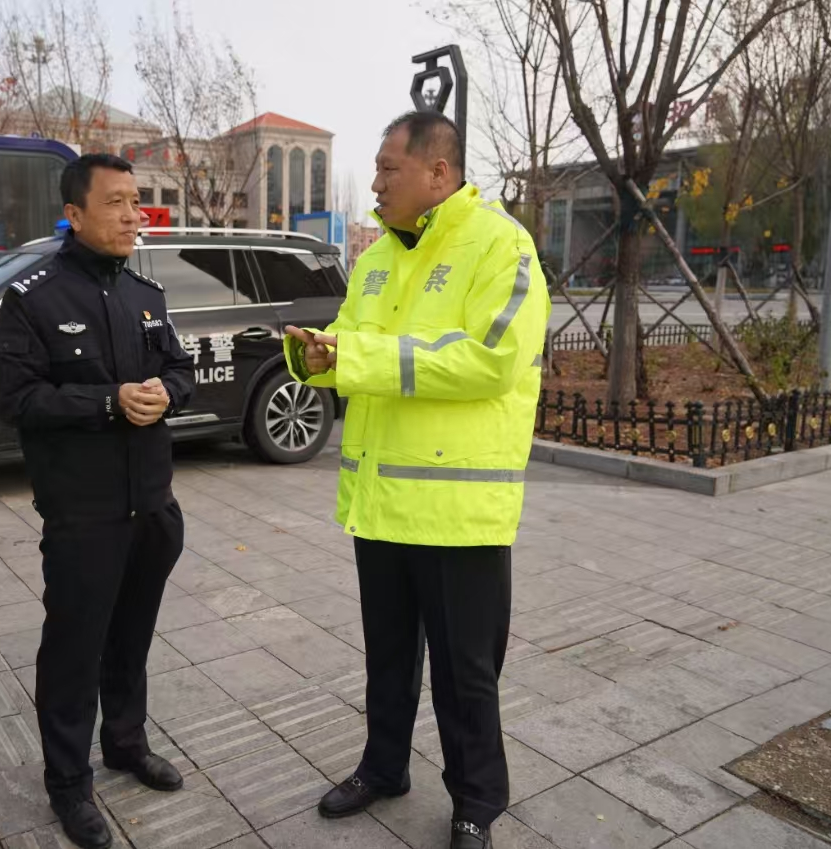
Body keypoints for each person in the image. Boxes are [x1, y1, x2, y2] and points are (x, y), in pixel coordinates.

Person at [284, 111, 550, 849]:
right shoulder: (375, 259)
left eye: (387, 169)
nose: (375, 183)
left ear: (438, 172)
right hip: (381, 502)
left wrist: (357, 357)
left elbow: (490, 360)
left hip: (458, 509)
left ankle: (475, 802)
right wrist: (316, 356)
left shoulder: (500, 244)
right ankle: (382, 767)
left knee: (466, 674)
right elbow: (350, 343)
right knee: (388, 657)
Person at [0, 153, 194, 849]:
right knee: (74, 652)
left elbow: (180, 369)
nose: (133, 215)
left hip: (151, 508)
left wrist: (166, 391)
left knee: (131, 638)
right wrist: (109, 401)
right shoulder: (34, 299)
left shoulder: (145, 294)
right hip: (84, 515)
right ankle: (69, 783)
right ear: (73, 214)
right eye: (115, 203)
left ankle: (126, 744)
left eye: (136, 202)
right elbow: (15, 399)